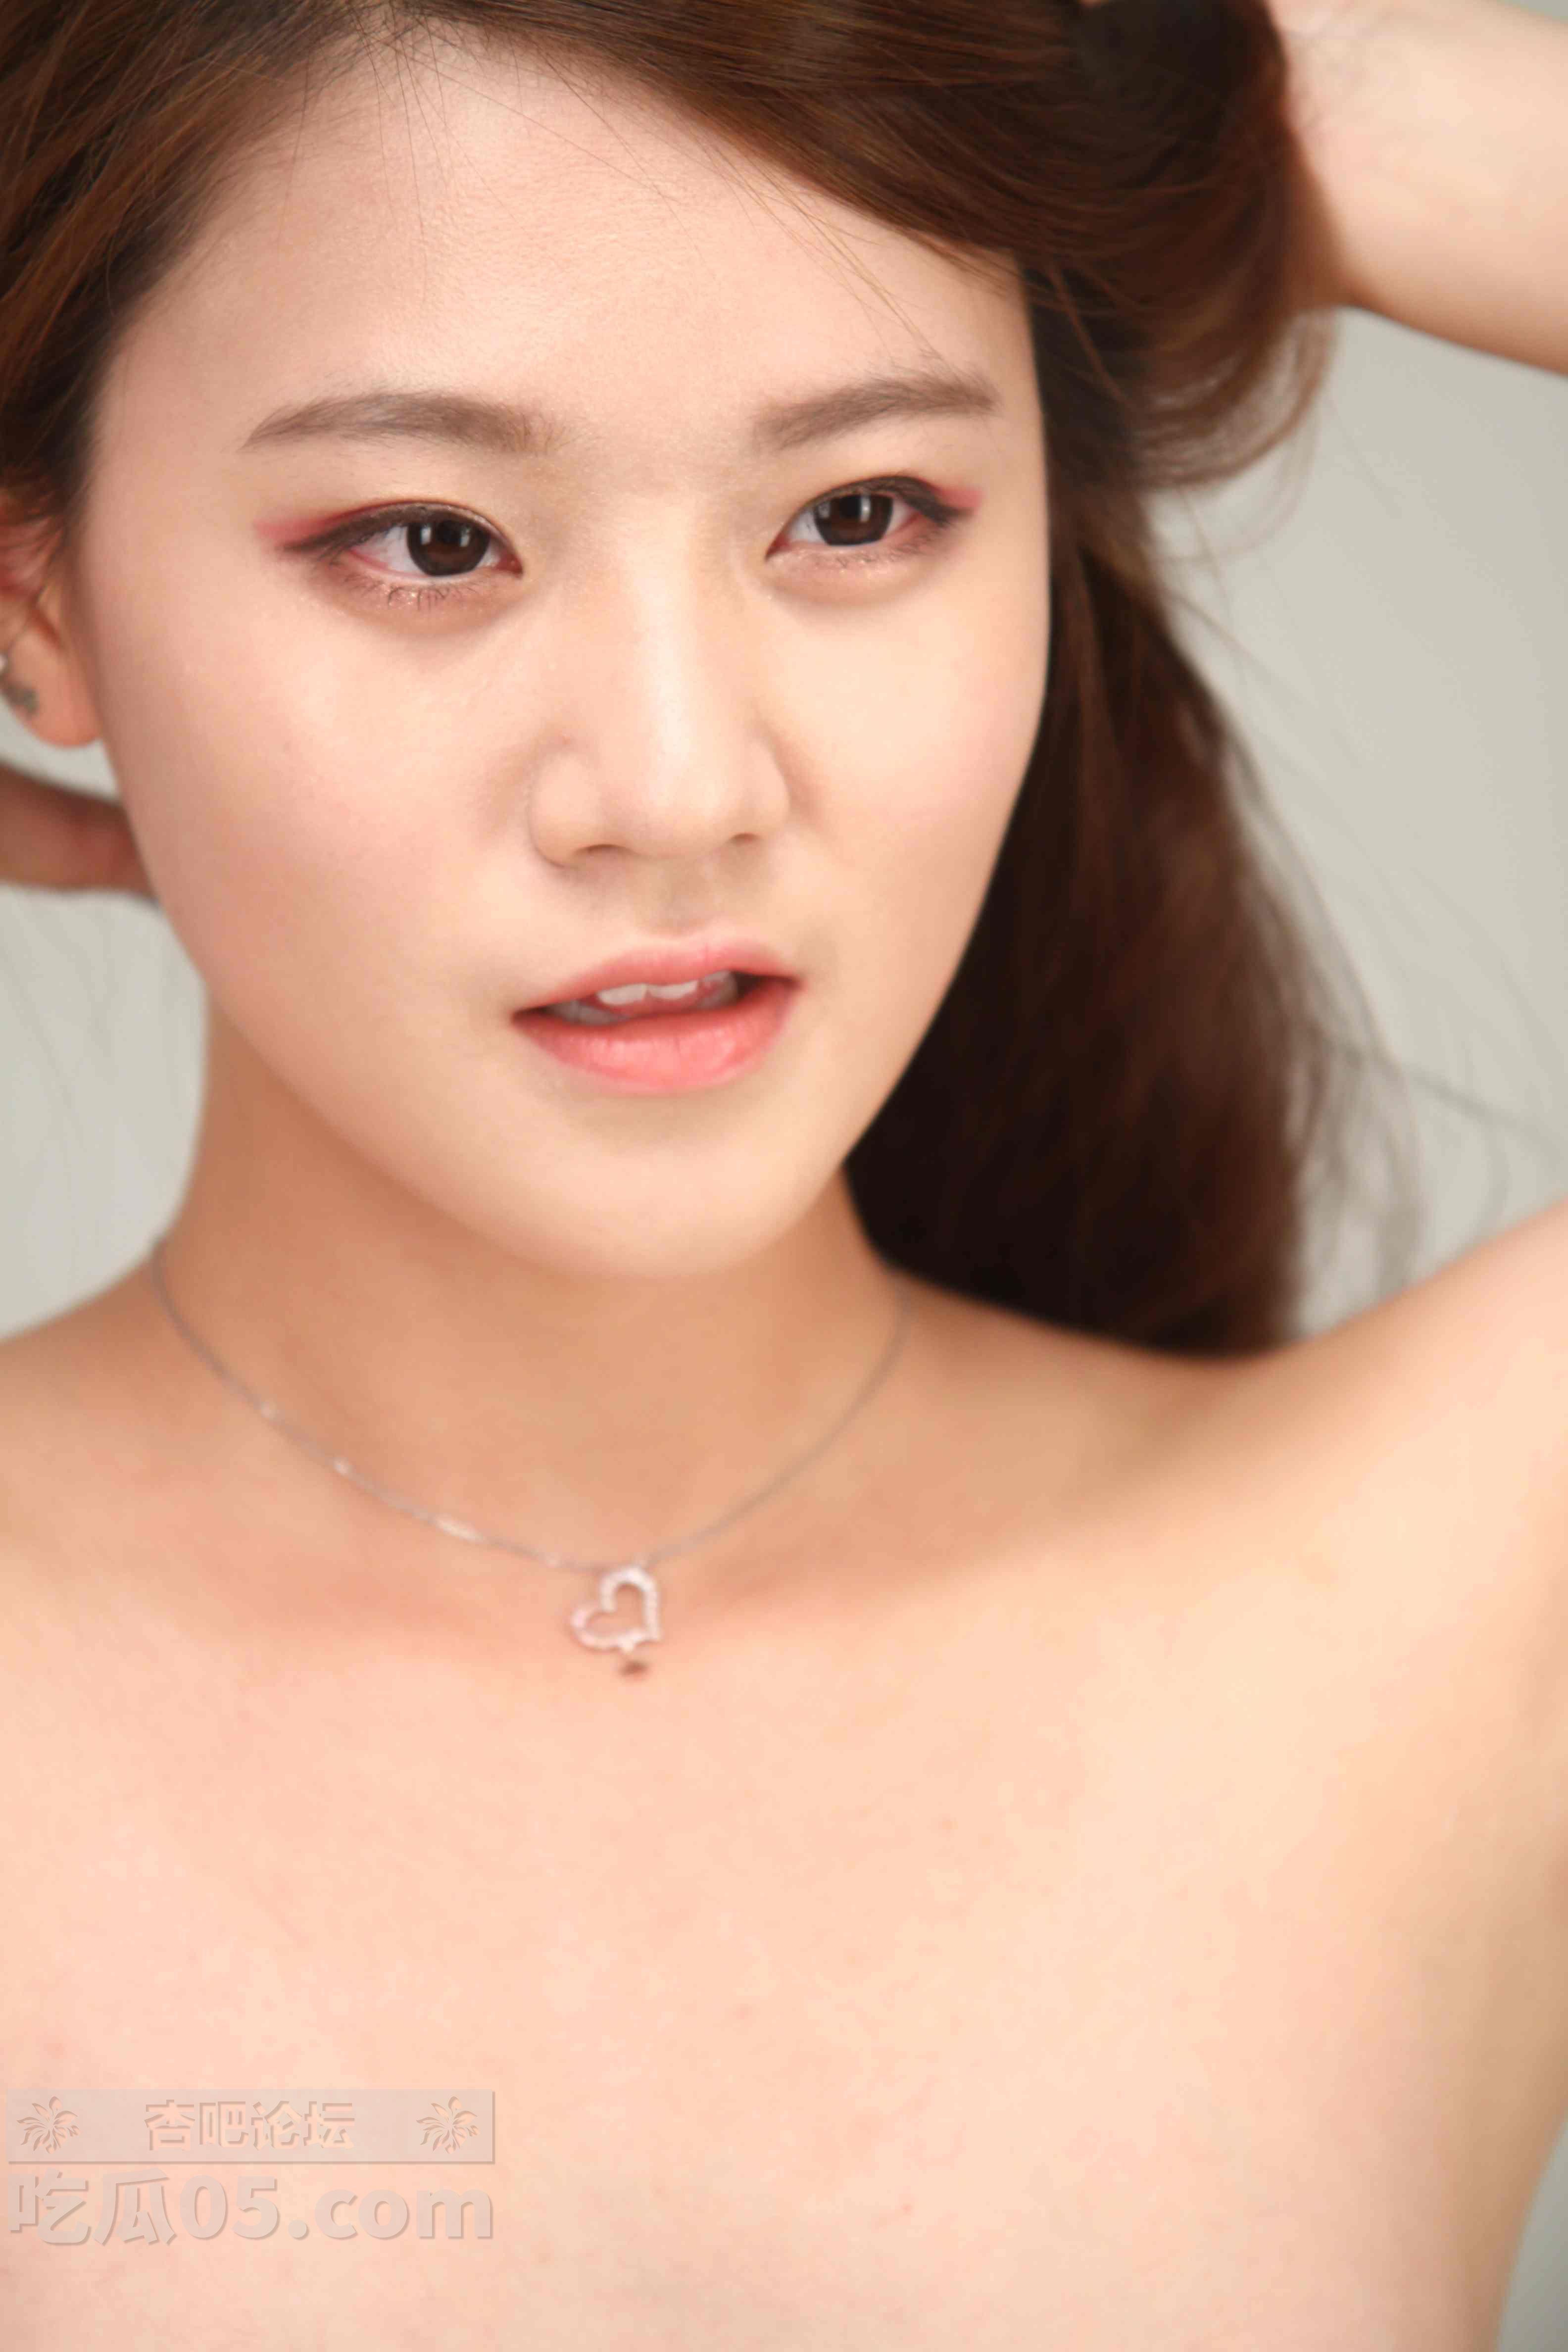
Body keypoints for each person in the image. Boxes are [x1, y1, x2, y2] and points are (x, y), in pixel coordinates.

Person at [0, 0, 1563, 2341]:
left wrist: (1271, 82)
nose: (677, 786)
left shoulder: (1437, 1596)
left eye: (859, 514)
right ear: (42, 598)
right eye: (433, 541)